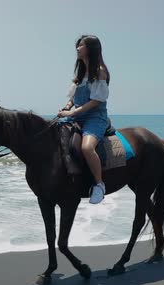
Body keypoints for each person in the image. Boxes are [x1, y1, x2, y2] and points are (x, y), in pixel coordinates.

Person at [57, 35, 110, 204]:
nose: (77, 49)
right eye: (78, 46)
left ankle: (99, 185)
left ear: (91, 49)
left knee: (87, 148)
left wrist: (72, 114)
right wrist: (67, 106)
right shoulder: (81, 71)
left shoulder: (100, 71)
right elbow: (73, 97)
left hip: (95, 117)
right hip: (78, 115)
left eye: (81, 45)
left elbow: (96, 101)